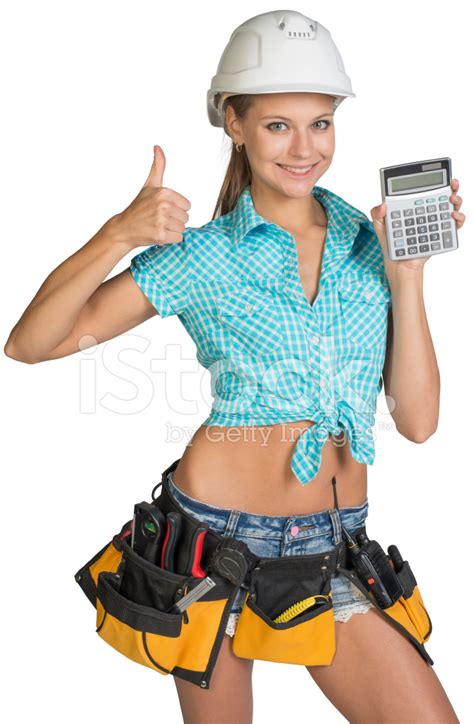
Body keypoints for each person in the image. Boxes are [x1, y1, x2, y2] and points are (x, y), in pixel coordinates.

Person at [4, 9, 464, 724]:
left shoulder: (367, 245)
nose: (303, 147)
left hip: (332, 548)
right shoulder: (202, 256)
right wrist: (118, 232)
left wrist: (407, 275)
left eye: (320, 122)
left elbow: (420, 423)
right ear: (235, 122)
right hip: (212, 544)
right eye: (278, 124)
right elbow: (32, 344)